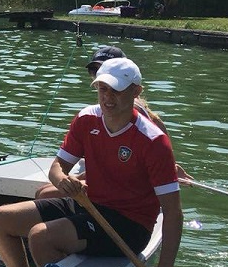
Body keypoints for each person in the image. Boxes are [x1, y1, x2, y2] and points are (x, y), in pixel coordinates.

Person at [0, 57, 183, 267]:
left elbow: (172, 211)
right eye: (103, 89)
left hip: (130, 224)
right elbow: (57, 167)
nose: (108, 97)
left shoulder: (154, 140)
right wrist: (63, 180)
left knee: (40, 237)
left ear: (136, 92)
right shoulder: (86, 118)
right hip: (90, 204)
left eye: (117, 91)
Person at [36, 46, 189, 200]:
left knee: (43, 194)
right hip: (101, 174)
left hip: (124, 190)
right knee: (44, 191)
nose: (99, 74)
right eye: (94, 70)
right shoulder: (98, 111)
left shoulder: (130, 112)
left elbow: (124, 168)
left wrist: (81, 177)